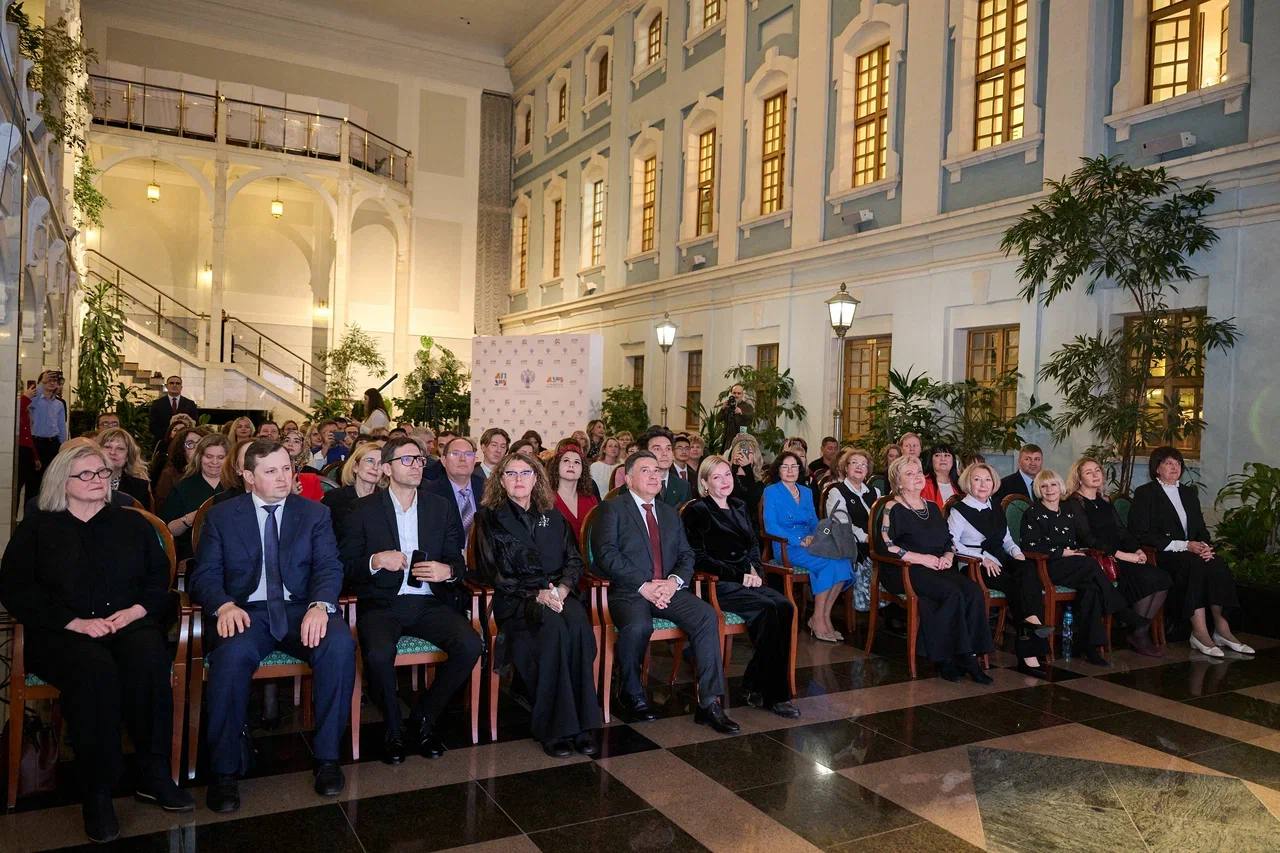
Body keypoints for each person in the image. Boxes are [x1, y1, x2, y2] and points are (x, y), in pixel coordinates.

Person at [0, 443, 193, 841]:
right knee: (95, 670)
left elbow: (158, 579)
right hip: (62, 632)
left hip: (126, 622)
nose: (97, 480)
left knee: (148, 658)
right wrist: (74, 622)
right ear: (62, 481)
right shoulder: (38, 528)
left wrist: (136, 611)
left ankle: (152, 772)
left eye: (103, 473)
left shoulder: (132, 524)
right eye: (86, 474)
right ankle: (97, 791)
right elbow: (16, 589)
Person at [190, 439, 356, 812]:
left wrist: (321, 605)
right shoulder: (222, 516)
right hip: (247, 612)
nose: (283, 477)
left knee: (339, 645)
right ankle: (224, 772)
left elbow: (329, 566)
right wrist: (224, 605)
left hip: (301, 609)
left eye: (286, 468)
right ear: (248, 477)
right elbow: (205, 575)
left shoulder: (314, 514)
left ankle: (328, 759)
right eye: (271, 471)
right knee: (230, 658)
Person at [339, 437, 481, 763]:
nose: (416, 465)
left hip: (428, 602)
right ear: (387, 469)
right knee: (378, 653)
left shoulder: (439, 507)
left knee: (470, 645)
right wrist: (375, 560)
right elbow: (345, 566)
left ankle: (424, 717)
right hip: (382, 603)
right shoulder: (362, 510)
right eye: (407, 460)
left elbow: (457, 561)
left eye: (419, 459)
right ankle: (393, 728)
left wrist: (447, 570)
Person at [590, 451, 740, 732]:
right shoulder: (612, 509)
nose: (654, 475)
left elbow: (686, 555)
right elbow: (606, 555)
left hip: (668, 589)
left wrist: (673, 582)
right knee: (638, 625)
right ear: (628, 478)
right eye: (645, 470)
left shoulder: (670, 513)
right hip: (629, 590)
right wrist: (644, 585)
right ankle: (630, 691)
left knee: (706, 616)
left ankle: (709, 703)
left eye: (657, 470)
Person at [473, 451, 602, 756]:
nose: (519, 479)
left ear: (536, 479)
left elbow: (574, 559)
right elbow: (492, 572)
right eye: (511, 474)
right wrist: (537, 594)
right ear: (501, 481)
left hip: (558, 593)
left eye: (525, 473)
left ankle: (583, 724)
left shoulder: (552, 515)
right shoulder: (488, 518)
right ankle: (554, 727)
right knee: (553, 630)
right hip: (517, 599)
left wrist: (563, 588)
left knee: (579, 626)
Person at [683, 455, 799, 718]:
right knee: (769, 609)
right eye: (716, 477)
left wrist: (755, 569)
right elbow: (697, 557)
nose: (725, 481)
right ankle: (774, 695)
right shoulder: (697, 511)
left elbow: (753, 545)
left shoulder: (739, 505)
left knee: (785, 607)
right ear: (705, 483)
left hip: (748, 579)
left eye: (727, 475)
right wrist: (738, 574)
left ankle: (753, 683)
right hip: (717, 584)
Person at [1129, 446, 1252, 657]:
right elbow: (1140, 534)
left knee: (1216, 563)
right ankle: (1199, 632)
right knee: (1194, 565)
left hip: (1192, 552)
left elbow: (1201, 530)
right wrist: (1184, 545)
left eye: (1178, 463)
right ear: (1157, 468)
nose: (1174, 467)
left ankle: (1222, 630)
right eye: (1168, 463)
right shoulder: (1145, 493)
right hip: (1163, 554)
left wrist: (1204, 547)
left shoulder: (1188, 493)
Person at [879, 456, 993, 683]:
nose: (917, 477)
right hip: (906, 568)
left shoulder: (931, 507)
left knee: (973, 591)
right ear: (898, 482)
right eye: (909, 474)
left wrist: (948, 557)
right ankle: (950, 658)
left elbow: (947, 541)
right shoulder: (892, 507)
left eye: (918, 472)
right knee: (951, 593)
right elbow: (887, 546)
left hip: (936, 566)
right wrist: (923, 559)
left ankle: (969, 653)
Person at [1021, 469, 1149, 666]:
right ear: (1038, 489)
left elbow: (1082, 538)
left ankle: (1090, 648)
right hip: (1046, 566)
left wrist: (1080, 551)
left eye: (1053, 484)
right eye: (1044, 486)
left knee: (1091, 589)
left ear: (1060, 487)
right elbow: (1030, 546)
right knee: (1089, 564)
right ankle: (1121, 610)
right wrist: (1063, 552)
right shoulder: (1033, 513)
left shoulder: (1067, 510)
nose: (1049, 489)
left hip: (1073, 565)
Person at [949, 462, 1051, 678]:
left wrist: (1017, 553)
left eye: (987, 480)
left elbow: (1007, 540)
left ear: (994, 483)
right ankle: (1031, 644)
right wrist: (982, 558)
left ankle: (1029, 628)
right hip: (974, 566)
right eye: (977, 479)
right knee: (1015, 584)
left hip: (1000, 559)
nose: (983, 484)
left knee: (1027, 570)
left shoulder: (995, 507)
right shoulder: (959, 511)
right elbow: (952, 544)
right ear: (968, 483)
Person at [1066, 457, 1172, 657]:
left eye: (1097, 470)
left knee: (1162, 578)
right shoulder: (1074, 503)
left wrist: (1138, 550)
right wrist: (1124, 555)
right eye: (1088, 472)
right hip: (1102, 559)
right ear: (1079, 478)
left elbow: (1122, 531)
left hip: (1122, 555)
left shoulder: (1104, 500)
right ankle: (1139, 634)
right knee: (1147, 578)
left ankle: (1138, 632)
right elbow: (1088, 538)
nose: (1095, 475)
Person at [763, 451, 853, 642]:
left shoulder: (806, 492)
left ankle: (824, 617)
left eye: (794, 466)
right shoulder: (771, 491)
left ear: (800, 469)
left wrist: (815, 535)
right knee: (827, 563)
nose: (790, 471)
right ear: (778, 470)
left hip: (811, 543)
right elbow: (771, 526)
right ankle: (818, 619)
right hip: (787, 546)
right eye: (785, 467)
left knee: (843, 561)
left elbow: (813, 521)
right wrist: (798, 539)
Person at [823, 447, 880, 622]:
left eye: (863, 464)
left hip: (875, 542)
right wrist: (865, 537)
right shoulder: (836, 491)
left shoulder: (875, 492)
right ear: (845, 468)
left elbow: (881, 521)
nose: (859, 466)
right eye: (854, 463)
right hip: (849, 543)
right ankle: (865, 603)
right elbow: (841, 524)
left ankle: (891, 606)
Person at [162, 432, 229, 560]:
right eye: (209, 456)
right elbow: (168, 530)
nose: (214, 462)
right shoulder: (183, 487)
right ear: (200, 457)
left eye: (221, 457)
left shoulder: (236, 487)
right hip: (192, 555)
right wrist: (188, 520)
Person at [421, 436, 486, 548]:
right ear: (443, 460)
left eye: (468, 454)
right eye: (455, 454)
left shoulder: (487, 488)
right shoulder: (430, 494)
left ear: (475, 460)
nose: (462, 459)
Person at [322, 439, 384, 539]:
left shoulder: (386, 500)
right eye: (370, 461)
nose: (375, 467)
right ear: (355, 467)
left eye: (381, 463)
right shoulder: (334, 499)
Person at [550, 444, 598, 542]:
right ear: (557, 467)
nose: (571, 465)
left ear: (582, 470)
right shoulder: (546, 500)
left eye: (577, 462)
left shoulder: (591, 500)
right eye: (566, 460)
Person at [98, 427, 154, 510]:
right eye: (107, 447)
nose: (113, 452)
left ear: (127, 456)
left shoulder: (140, 487)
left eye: (120, 449)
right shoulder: (83, 482)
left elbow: (145, 517)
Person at [642, 427, 691, 507]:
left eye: (668, 448)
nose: (664, 453)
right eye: (657, 449)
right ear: (645, 453)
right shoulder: (635, 485)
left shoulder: (683, 486)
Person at [147, 376, 198, 452]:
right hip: (163, 445)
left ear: (181, 387)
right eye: (171, 383)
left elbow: (195, 424)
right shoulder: (157, 404)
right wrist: (169, 435)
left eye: (177, 383)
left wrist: (182, 436)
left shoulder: (190, 404)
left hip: (184, 445)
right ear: (167, 386)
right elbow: (152, 426)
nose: (174, 385)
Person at [31, 370, 68, 472]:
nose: (52, 383)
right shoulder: (35, 400)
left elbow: (61, 427)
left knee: (52, 473)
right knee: (36, 474)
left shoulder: (59, 404)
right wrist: (42, 383)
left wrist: (63, 446)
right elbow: (29, 403)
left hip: (53, 443)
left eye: (54, 381)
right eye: (48, 380)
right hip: (36, 442)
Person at [727, 433, 766, 529]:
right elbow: (728, 500)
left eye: (749, 452)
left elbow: (749, 505)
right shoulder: (725, 476)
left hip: (749, 526)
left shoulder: (759, 483)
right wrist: (734, 469)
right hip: (728, 523)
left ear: (755, 456)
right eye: (740, 451)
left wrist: (747, 470)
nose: (743, 454)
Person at [212, 439, 254, 506]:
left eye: (262, 455)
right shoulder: (225, 502)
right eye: (249, 455)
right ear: (237, 469)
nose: (257, 460)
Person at [921, 444, 962, 511]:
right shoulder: (922, 483)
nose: (943, 459)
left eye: (947, 455)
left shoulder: (961, 484)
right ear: (931, 460)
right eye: (937, 455)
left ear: (953, 461)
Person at [719, 384, 754, 451]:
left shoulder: (747, 406)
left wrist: (741, 412)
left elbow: (751, 418)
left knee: (742, 457)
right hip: (728, 440)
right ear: (731, 394)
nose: (736, 395)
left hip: (743, 440)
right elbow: (718, 419)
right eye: (734, 393)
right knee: (726, 457)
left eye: (739, 393)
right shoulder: (727, 406)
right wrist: (722, 409)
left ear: (742, 395)